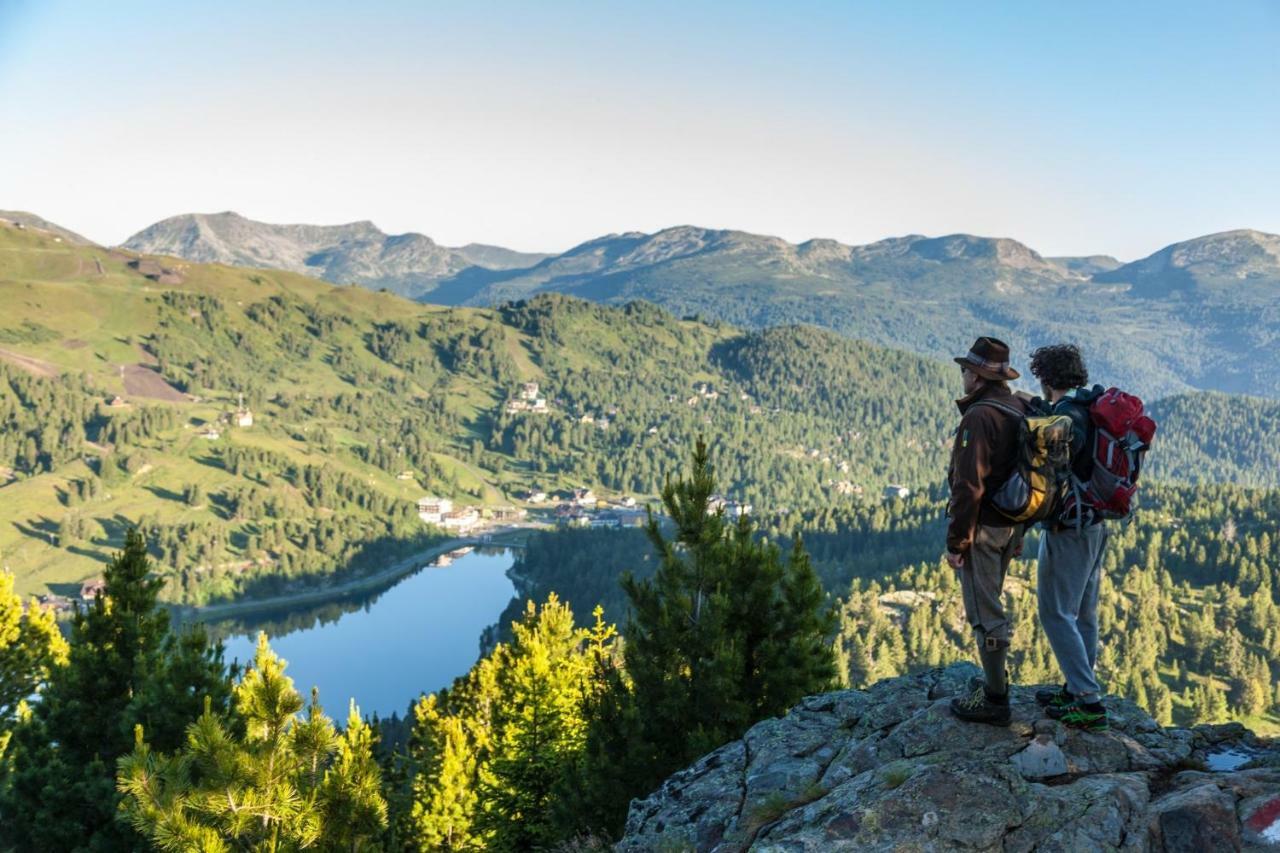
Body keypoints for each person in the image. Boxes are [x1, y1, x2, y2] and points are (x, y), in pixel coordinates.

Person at [946, 337, 1029, 726]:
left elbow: (969, 487)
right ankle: (994, 681)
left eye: (965, 370)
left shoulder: (979, 417)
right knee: (991, 601)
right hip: (1011, 525)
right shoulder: (1018, 407)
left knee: (985, 611)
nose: (962, 376)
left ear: (976, 377)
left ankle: (996, 699)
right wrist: (1021, 532)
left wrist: (957, 542)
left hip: (985, 528)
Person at [1028, 344, 1110, 732]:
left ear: (1046, 378)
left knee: (1056, 612)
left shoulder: (1066, 415)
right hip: (1096, 522)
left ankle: (1088, 702)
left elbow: (1052, 467)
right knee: (1083, 613)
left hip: (1070, 526)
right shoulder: (1091, 405)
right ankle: (1077, 689)